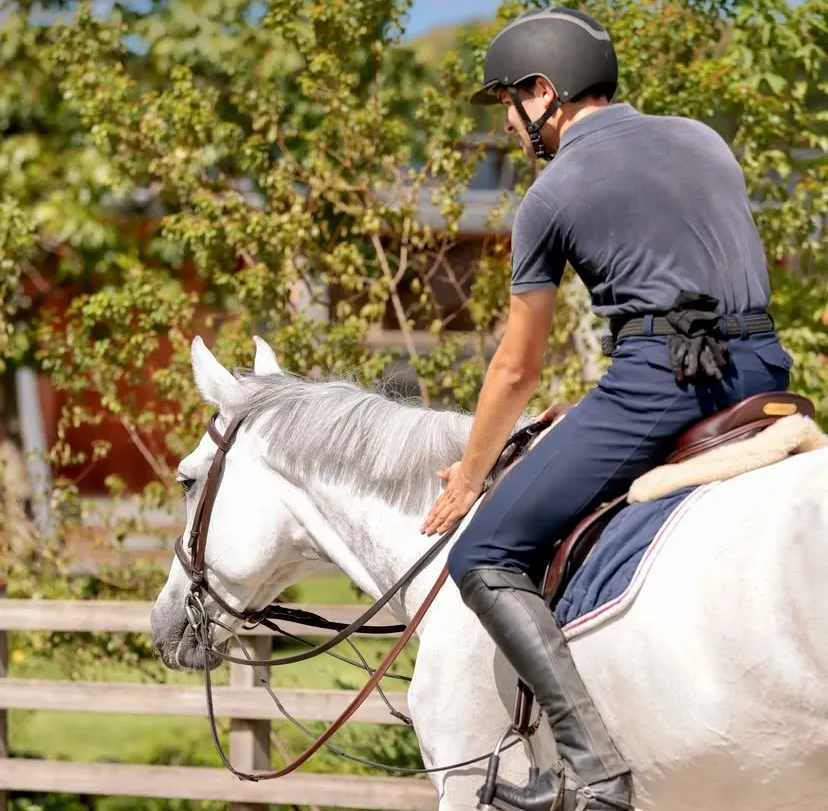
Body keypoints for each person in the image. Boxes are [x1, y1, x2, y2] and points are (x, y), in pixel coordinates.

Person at [420, 7, 793, 811]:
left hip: (662, 381)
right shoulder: (703, 137)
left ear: (543, 91)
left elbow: (516, 367)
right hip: (761, 365)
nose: (513, 125)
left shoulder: (550, 194)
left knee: (481, 553)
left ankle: (594, 768)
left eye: (511, 104)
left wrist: (471, 473)